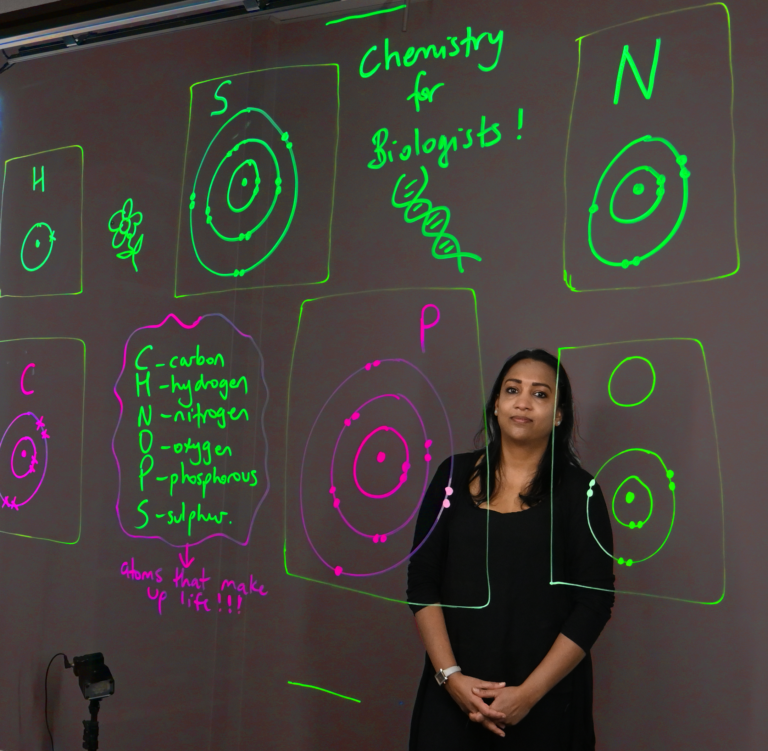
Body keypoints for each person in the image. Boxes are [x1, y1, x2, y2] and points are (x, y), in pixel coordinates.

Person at [407, 349, 614, 750]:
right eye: (512, 390)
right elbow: (422, 582)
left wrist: (527, 695)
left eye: (540, 394)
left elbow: (595, 603)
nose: (523, 401)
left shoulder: (580, 492)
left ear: (558, 415)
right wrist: (450, 678)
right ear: (496, 405)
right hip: (454, 698)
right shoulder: (450, 475)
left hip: (545, 705)